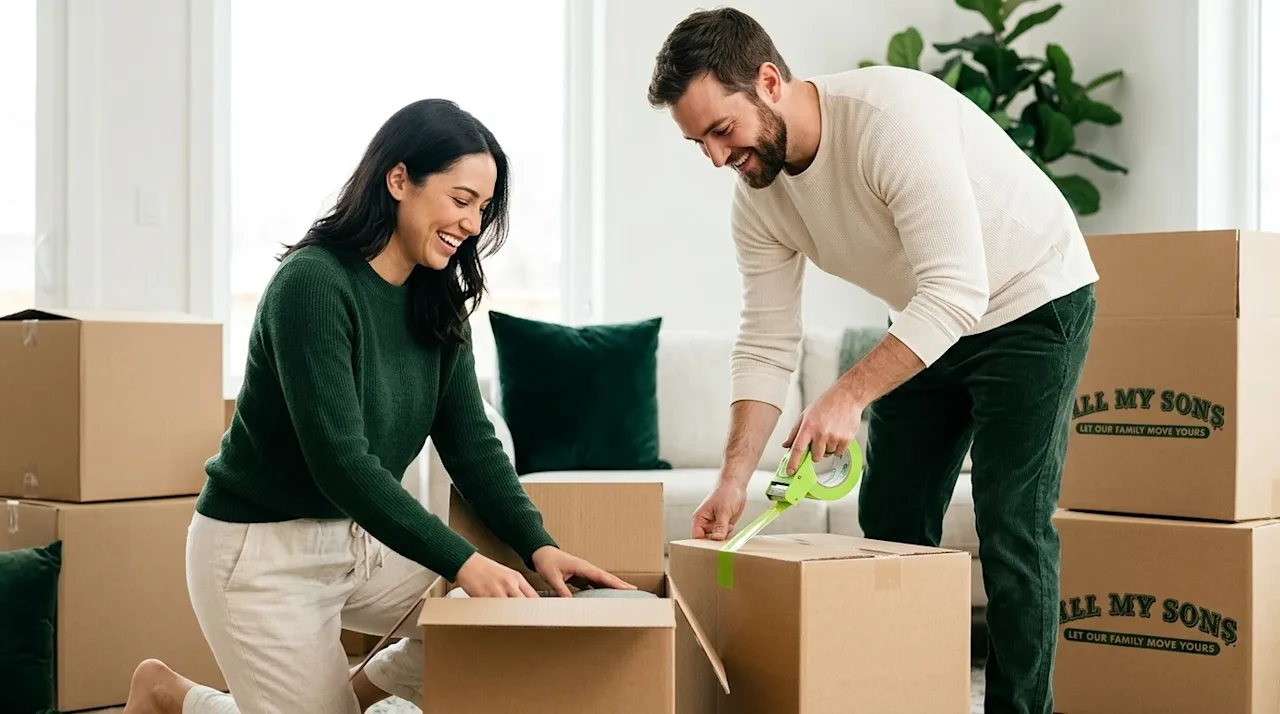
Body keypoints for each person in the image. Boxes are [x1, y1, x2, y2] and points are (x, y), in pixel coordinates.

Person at [647, 9, 1097, 714]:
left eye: (719, 130)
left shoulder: (890, 122)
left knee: (1012, 528)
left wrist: (846, 395)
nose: (713, 157)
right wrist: (732, 482)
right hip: (931, 314)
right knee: (890, 524)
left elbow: (960, 288)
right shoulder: (759, 201)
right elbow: (767, 339)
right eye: (696, 142)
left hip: (1031, 301)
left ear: (768, 81)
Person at [123, 98, 632, 714]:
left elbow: (472, 444)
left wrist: (538, 546)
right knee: (471, 588)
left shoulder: (437, 298)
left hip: (358, 544)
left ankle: (351, 689)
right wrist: (463, 562)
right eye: (461, 199)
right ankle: (170, 694)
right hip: (261, 556)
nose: (473, 224)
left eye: (483, 208)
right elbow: (340, 462)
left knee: (501, 620)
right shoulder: (313, 285)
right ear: (398, 180)